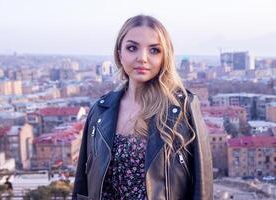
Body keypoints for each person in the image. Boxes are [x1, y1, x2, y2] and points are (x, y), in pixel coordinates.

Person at [73, 14, 213, 200]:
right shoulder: (100, 110)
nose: (142, 58)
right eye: (132, 48)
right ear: (119, 53)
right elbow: (82, 184)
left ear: (165, 57)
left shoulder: (182, 109)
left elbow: (202, 188)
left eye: (154, 50)